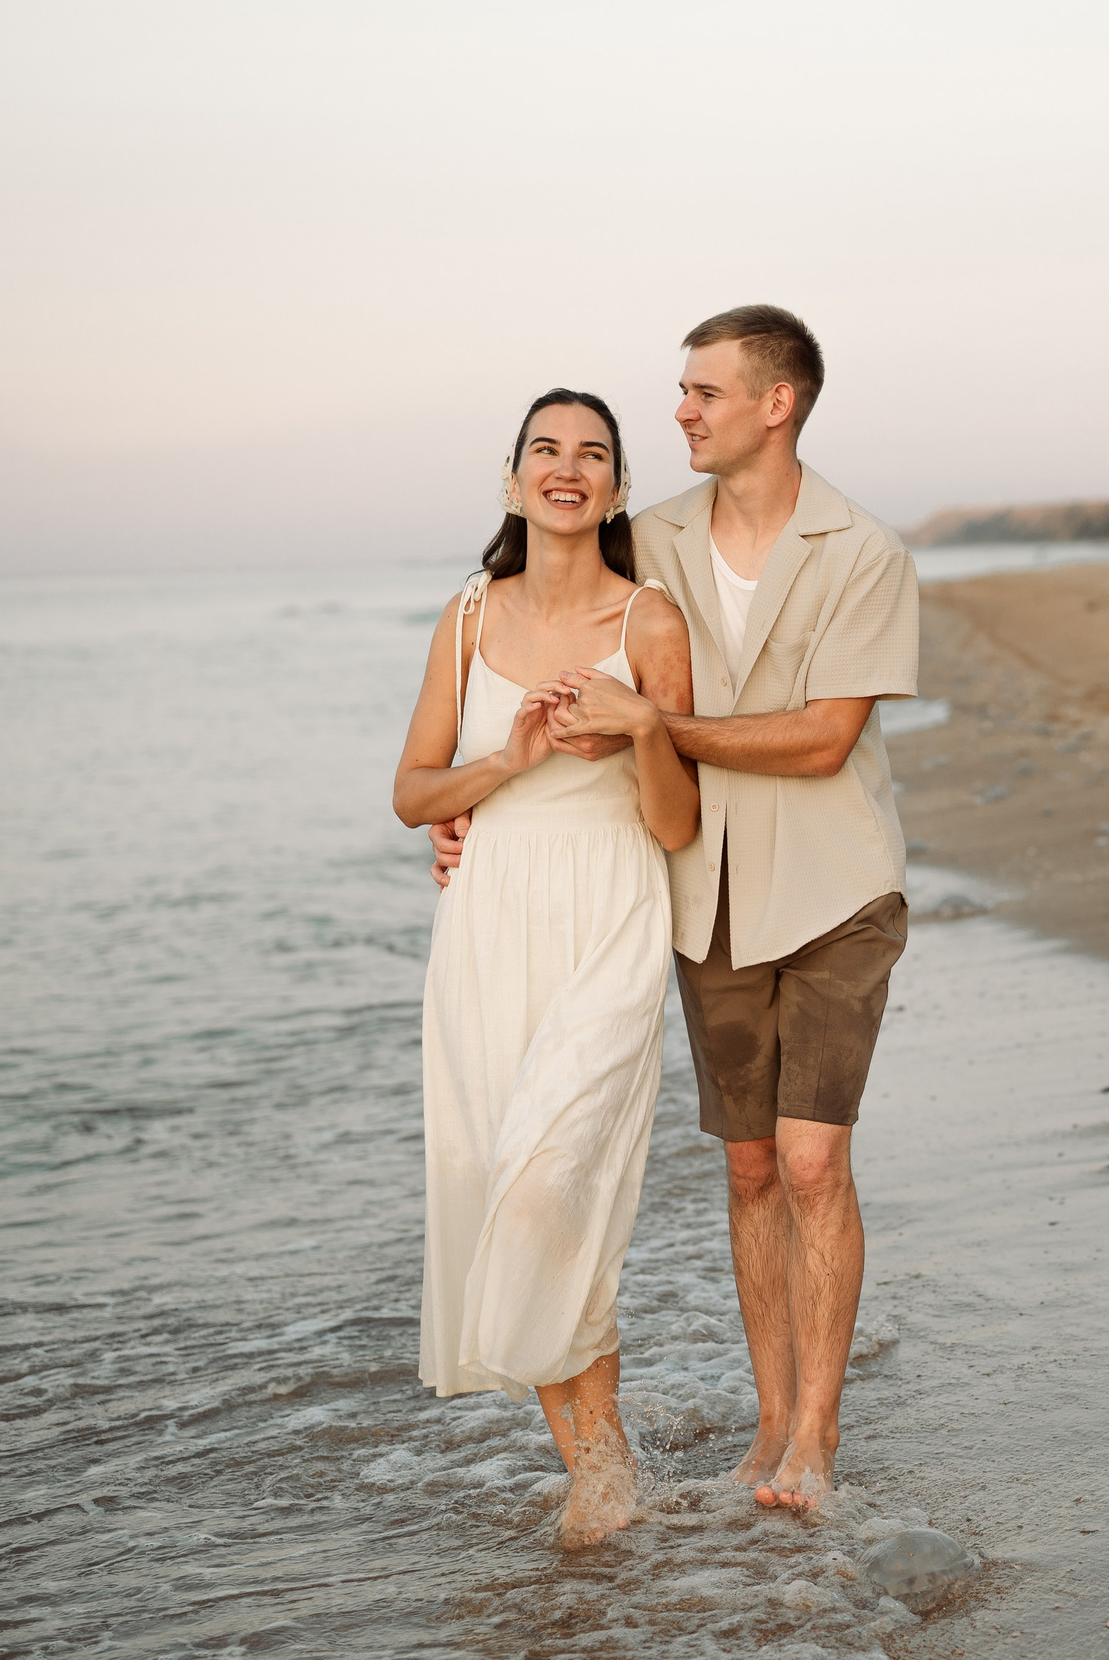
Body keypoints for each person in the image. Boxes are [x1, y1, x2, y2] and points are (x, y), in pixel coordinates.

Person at [433, 306, 918, 1515]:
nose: (682, 412)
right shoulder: (645, 540)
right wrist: (475, 801)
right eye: (681, 391)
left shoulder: (861, 550)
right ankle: (764, 1429)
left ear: (777, 403)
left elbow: (822, 740)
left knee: (812, 1161)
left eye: (703, 391)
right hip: (700, 902)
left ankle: (816, 1435)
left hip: (833, 885)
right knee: (750, 1167)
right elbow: (556, 639)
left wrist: (651, 728)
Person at [391, 388, 699, 1549]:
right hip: (485, 923)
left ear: (618, 488)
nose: (567, 469)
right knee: (494, 1183)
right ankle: (594, 1466)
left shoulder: (650, 623)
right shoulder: (467, 618)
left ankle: (604, 1453)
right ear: (513, 477)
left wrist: (643, 728)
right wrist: (503, 764)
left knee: (550, 1176)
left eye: (594, 454)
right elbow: (413, 790)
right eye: (545, 450)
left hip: (610, 913)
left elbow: (675, 825)